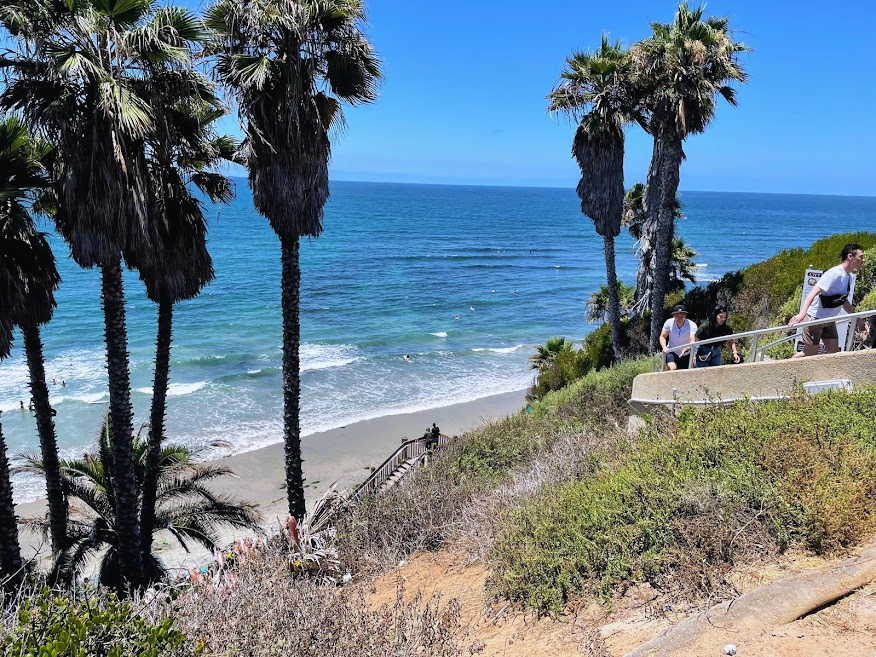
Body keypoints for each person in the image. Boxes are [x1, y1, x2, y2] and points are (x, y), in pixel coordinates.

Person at [789, 244, 866, 357]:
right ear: (850, 256)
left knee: (833, 353)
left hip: (829, 320)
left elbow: (843, 301)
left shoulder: (848, 276)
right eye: (861, 257)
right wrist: (802, 314)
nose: (862, 260)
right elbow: (813, 292)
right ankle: (786, 370)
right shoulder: (834, 274)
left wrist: (858, 319)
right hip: (815, 319)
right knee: (809, 354)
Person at [660, 305, 697, 370]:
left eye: (682, 315)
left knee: (685, 373)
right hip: (672, 350)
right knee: (673, 368)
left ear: (685, 315)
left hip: (686, 353)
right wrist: (664, 347)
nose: (680, 318)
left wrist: (687, 348)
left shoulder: (691, 325)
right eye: (677, 315)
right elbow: (662, 336)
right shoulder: (669, 323)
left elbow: (692, 340)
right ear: (673, 315)